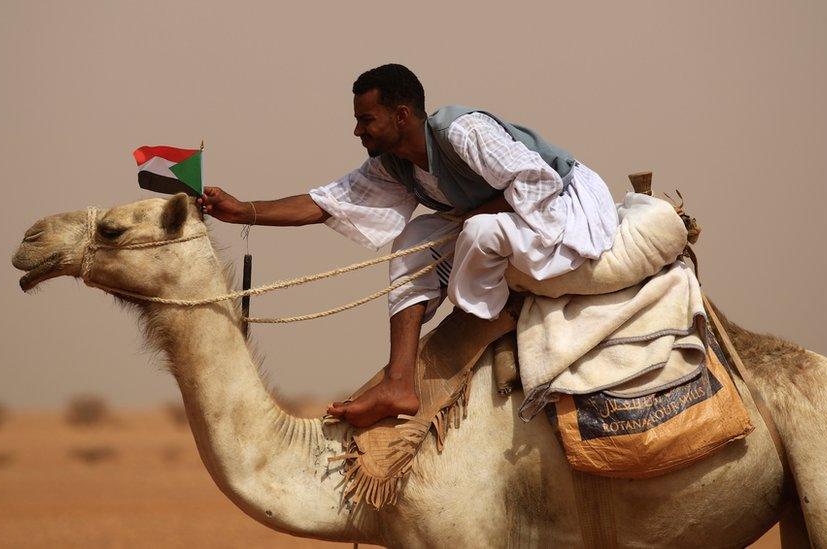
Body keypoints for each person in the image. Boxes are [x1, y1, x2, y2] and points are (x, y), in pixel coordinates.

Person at [197, 63, 619, 428]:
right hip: (494, 223)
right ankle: (399, 383)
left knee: (479, 233)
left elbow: (534, 180)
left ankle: (486, 319)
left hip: (560, 204)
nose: (357, 130)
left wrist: (474, 219)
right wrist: (241, 210)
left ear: (401, 116)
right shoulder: (394, 165)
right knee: (412, 241)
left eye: (366, 120)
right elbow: (326, 204)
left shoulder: (462, 131)